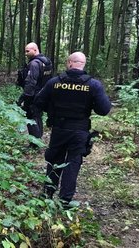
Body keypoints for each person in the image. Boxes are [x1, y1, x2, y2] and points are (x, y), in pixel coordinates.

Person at [33, 52, 111, 204]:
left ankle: (47, 195)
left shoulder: (54, 82)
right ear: (83, 64)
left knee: (55, 160)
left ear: (69, 63)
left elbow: (38, 102)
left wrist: (53, 109)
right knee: (73, 164)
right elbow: (104, 110)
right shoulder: (93, 85)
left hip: (59, 129)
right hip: (79, 131)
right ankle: (65, 200)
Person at [17, 42, 53, 145]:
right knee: (37, 116)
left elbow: (30, 82)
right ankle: (38, 139)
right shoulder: (46, 61)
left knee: (31, 116)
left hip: (34, 95)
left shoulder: (34, 64)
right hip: (44, 94)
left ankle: (35, 143)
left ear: (35, 50)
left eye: (28, 51)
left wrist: (25, 98)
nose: (26, 53)